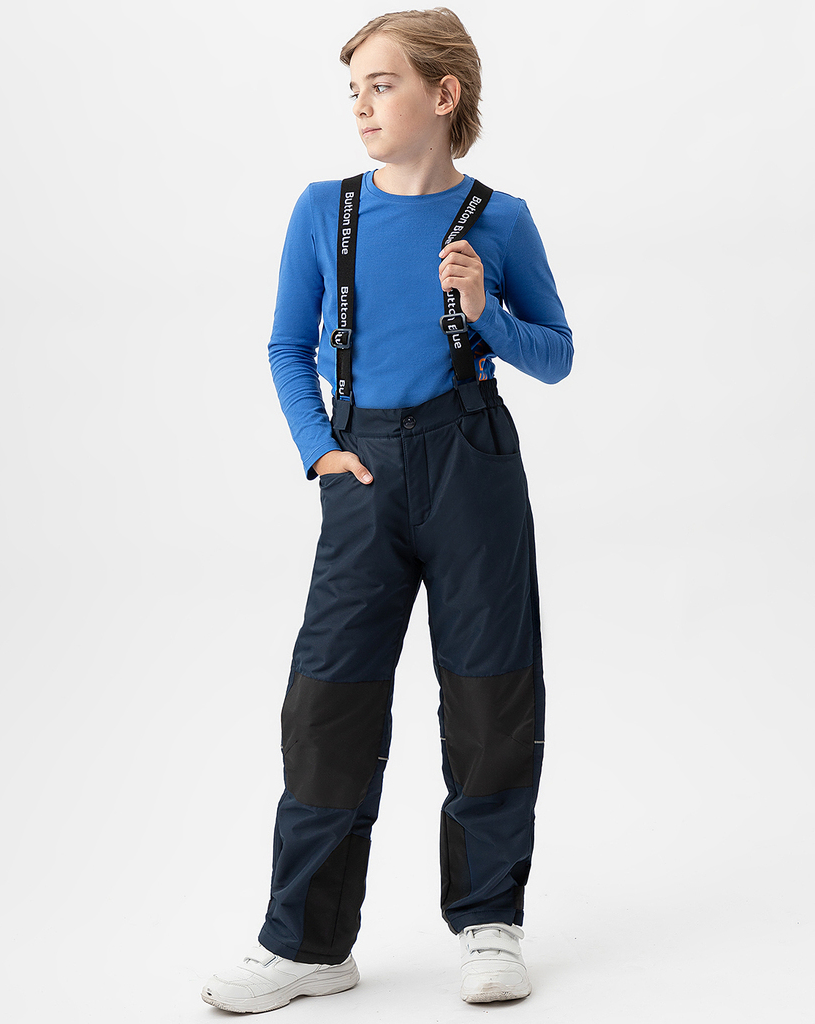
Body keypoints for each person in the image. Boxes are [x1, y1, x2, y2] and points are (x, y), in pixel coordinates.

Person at [202, 6, 572, 1013]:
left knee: (490, 692)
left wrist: (486, 313)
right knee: (328, 699)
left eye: (382, 84)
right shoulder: (323, 210)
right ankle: (308, 943)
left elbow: (555, 355)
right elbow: (287, 345)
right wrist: (318, 449)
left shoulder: (500, 219)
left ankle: (489, 922)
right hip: (360, 469)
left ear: (442, 95)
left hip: (471, 463)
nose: (362, 106)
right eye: (354, 90)